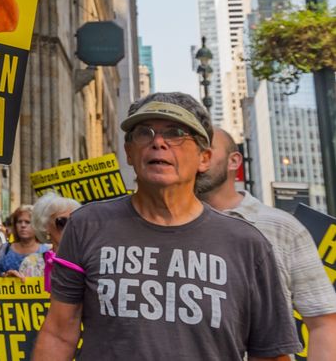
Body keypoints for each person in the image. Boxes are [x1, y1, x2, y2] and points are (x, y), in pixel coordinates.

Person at [34, 92, 302, 360]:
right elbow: (59, 333)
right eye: (144, 133)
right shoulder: (86, 225)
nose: (158, 142)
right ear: (129, 152)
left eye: (175, 133)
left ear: (204, 158)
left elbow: (270, 354)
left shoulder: (247, 244)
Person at [197, 127, 336, 361]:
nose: (199, 159)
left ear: (234, 161)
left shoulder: (282, 227)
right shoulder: (163, 227)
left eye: (207, 150)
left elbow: (324, 323)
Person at [12, 192, 80, 286]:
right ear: (45, 226)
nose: (70, 228)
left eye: (76, 222)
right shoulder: (32, 264)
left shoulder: (90, 262)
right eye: (62, 222)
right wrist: (12, 285)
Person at [0, 205, 48, 275]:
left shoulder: (45, 251)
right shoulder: (5, 249)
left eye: (27, 222)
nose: (23, 225)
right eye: (19, 222)